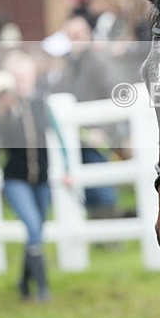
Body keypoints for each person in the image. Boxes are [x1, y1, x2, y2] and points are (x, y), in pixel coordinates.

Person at [0, 50, 72, 302]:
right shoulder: (3, 108)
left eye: (25, 74)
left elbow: (59, 136)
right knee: (33, 227)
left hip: (41, 179)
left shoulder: (42, 103)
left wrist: (68, 169)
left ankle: (22, 285)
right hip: (15, 179)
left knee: (36, 232)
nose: (22, 80)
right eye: (17, 75)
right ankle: (43, 290)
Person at [50, 14, 121, 218]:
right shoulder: (66, 65)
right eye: (71, 35)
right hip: (76, 135)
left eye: (80, 34)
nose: (77, 39)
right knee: (85, 185)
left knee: (102, 185)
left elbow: (115, 95)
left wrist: (105, 131)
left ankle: (110, 234)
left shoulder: (100, 62)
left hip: (97, 136)